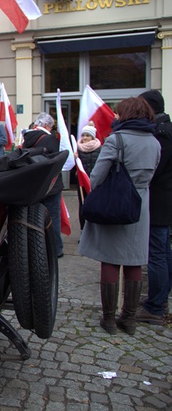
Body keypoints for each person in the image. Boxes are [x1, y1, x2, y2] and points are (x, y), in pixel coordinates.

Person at [78, 97, 160, 335]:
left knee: (111, 259)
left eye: (118, 112)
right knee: (134, 260)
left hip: (115, 204)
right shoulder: (154, 142)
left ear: (126, 114)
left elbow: (96, 176)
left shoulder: (117, 140)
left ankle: (109, 320)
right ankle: (130, 319)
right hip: (141, 207)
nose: (114, 116)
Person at [135, 90, 172, 325]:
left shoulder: (161, 133)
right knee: (163, 251)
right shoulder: (165, 129)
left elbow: (155, 168)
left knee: (157, 253)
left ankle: (155, 306)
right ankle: (159, 298)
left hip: (159, 201)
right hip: (164, 200)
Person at [22, 112, 64, 258]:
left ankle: (36, 248)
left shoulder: (27, 137)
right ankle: (55, 249)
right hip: (51, 185)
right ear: (47, 126)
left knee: (34, 217)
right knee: (53, 218)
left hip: (34, 184)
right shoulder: (50, 139)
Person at [75, 122, 102, 230]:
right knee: (83, 205)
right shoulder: (77, 149)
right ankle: (84, 230)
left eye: (87, 135)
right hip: (82, 183)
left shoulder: (100, 149)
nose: (85, 138)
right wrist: (74, 158)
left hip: (95, 181)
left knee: (96, 205)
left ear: (92, 137)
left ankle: (96, 229)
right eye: (83, 135)